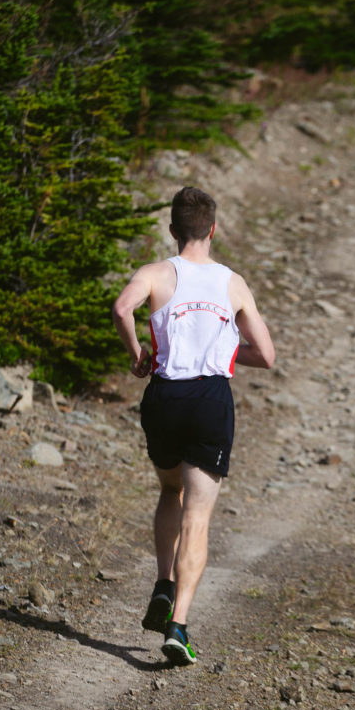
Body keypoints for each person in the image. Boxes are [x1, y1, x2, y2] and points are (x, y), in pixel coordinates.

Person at [112, 186, 275, 665]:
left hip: (164, 397)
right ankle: (178, 627)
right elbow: (266, 355)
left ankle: (163, 582)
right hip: (209, 400)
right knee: (197, 516)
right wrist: (226, 352)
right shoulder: (233, 283)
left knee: (170, 491)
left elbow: (121, 309)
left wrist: (137, 355)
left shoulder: (155, 273)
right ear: (213, 230)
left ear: (173, 230)